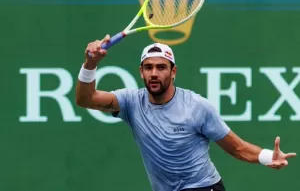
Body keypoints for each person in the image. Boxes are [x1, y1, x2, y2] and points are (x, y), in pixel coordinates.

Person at [76, 35, 297, 191]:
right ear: (141, 72)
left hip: (203, 187)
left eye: (161, 67)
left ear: (173, 72)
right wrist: (90, 63)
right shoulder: (130, 102)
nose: (154, 73)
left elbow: (237, 148)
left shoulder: (197, 107)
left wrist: (268, 157)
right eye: (149, 67)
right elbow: (85, 99)